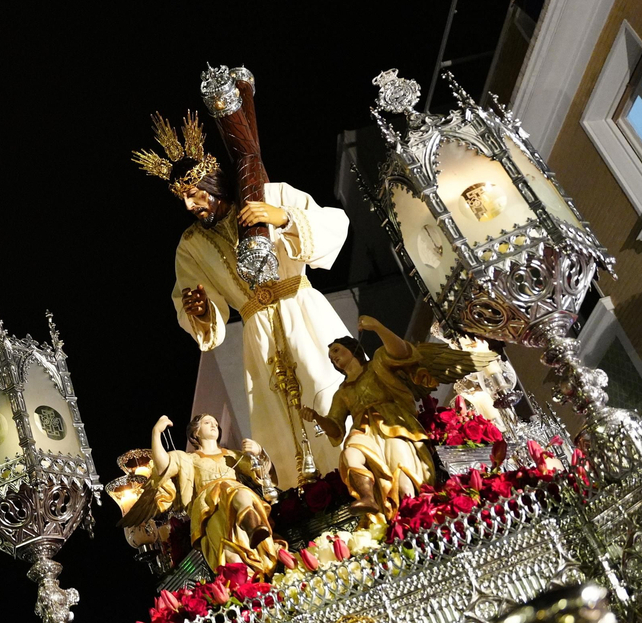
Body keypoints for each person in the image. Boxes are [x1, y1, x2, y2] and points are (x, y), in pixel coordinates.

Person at [134, 100, 353, 490]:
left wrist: (282, 218)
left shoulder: (268, 193)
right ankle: (307, 495)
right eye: (181, 199)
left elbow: (335, 224)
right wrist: (199, 310)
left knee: (325, 389)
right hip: (257, 331)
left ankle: (358, 469)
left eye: (195, 194)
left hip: (302, 310)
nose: (189, 205)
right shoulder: (191, 245)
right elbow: (203, 317)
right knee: (274, 418)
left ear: (213, 182)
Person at [301, 316, 493, 522]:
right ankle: (367, 497)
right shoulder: (341, 393)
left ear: (352, 348)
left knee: (401, 473)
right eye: (331, 357)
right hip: (362, 432)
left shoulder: (377, 365)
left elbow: (402, 353)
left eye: (336, 350)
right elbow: (336, 428)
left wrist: (378, 327)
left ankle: (415, 514)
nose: (333, 358)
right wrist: (317, 418)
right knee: (350, 454)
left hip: (394, 425)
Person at [144, 413, 287, 578]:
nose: (213, 425)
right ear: (195, 433)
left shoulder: (232, 456)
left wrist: (259, 453)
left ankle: (254, 527)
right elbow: (163, 466)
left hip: (238, 505)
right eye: (207, 422)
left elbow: (264, 475)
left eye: (215, 422)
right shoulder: (187, 459)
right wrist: (156, 432)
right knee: (231, 557)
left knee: (237, 491)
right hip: (211, 511)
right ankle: (246, 587)